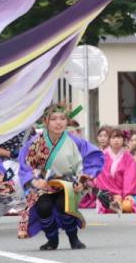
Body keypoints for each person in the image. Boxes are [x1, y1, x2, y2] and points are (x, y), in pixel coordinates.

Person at [17, 104, 103, 250]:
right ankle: (52, 239)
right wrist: (34, 180)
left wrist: (83, 179)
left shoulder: (75, 141)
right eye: (54, 119)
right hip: (45, 184)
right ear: (46, 121)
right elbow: (25, 167)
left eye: (62, 118)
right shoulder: (34, 143)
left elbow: (93, 158)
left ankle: (73, 238)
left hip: (69, 182)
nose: (59, 122)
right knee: (43, 207)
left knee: (64, 206)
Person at [93, 129, 136, 214]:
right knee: (110, 203)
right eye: (113, 138)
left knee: (128, 205)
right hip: (108, 193)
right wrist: (113, 194)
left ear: (123, 140)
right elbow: (103, 178)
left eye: (119, 138)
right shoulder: (102, 156)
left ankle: (120, 202)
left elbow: (130, 177)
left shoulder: (128, 157)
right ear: (109, 140)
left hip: (124, 192)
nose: (116, 140)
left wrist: (127, 194)